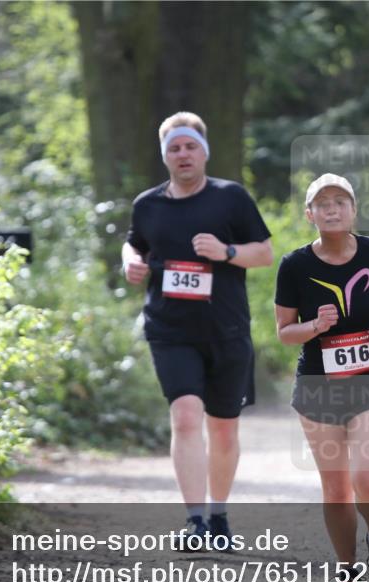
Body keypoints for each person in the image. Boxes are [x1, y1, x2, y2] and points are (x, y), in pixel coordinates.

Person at [122, 111, 273, 549]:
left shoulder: (231, 199)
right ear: (164, 155)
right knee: (186, 416)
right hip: (169, 329)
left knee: (223, 428)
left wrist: (226, 251)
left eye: (190, 146)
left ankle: (219, 514)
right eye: (174, 148)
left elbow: (263, 253)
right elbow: (135, 241)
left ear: (203, 151)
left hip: (226, 329)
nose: (182, 154)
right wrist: (129, 259)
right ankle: (194, 521)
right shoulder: (147, 204)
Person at [274, 173, 369, 582]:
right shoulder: (294, 265)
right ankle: (347, 572)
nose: (332, 208)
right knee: (335, 489)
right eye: (322, 203)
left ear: (353, 210)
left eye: (341, 201)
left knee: (367, 478)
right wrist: (313, 327)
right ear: (309, 213)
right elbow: (284, 332)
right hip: (317, 384)